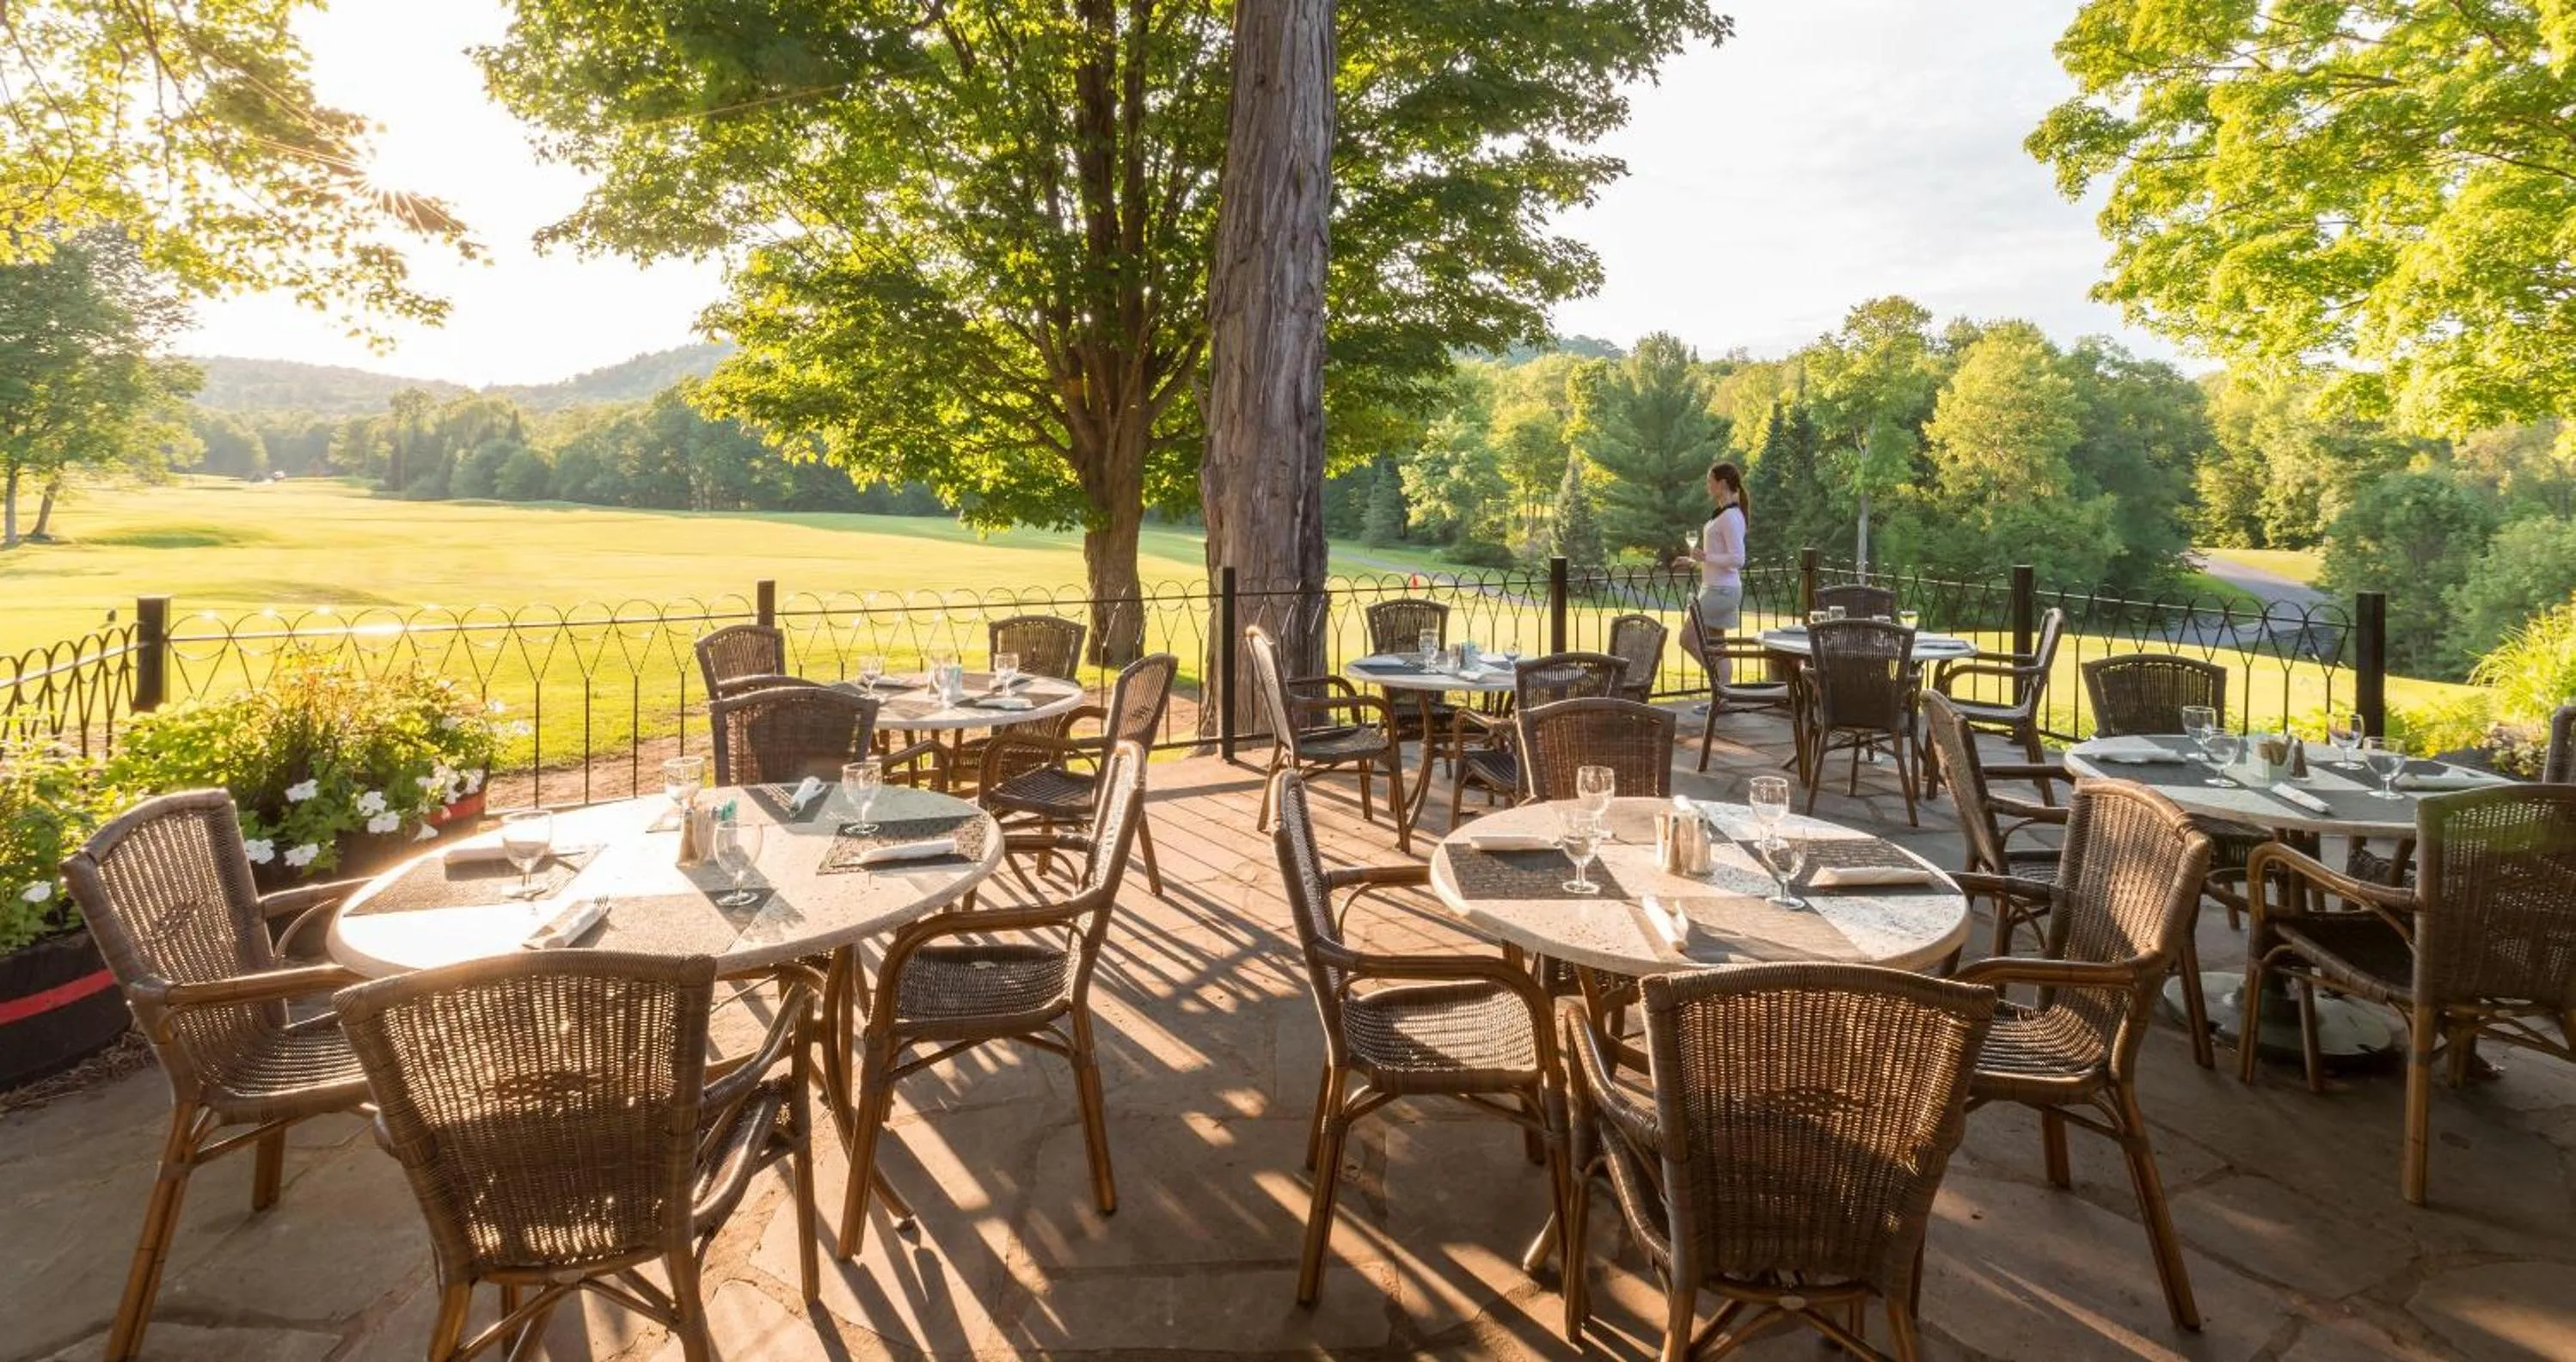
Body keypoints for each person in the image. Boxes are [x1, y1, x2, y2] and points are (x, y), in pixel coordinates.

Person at [1671, 462, 1748, 690]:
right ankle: (1724, 696)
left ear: (1722, 483)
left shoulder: (1731, 517)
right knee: (1718, 645)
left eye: (1709, 481)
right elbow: (1718, 555)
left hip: (1721, 590)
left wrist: (1705, 557)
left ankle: (1719, 687)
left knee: (1687, 639)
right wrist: (1694, 560)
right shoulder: (1725, 514)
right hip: (1718, 587)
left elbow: (1738, 559)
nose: (1706, 486)